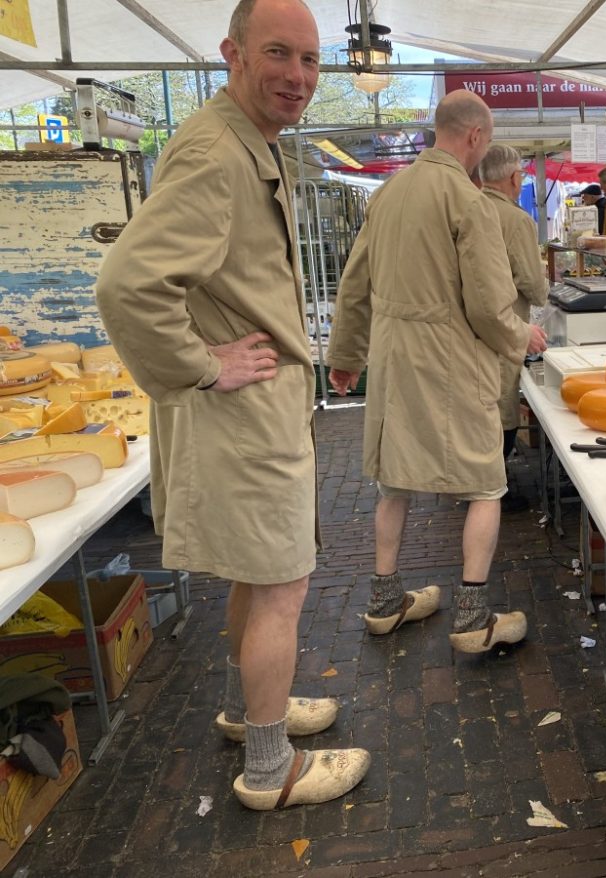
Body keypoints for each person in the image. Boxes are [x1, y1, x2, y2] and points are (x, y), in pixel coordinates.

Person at [94, 0, 369, 810]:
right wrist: (200, 366)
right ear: (233, 55)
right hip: (242, 417)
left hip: (255, 413)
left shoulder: (251, 143)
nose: (298, 76)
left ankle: (257, 713)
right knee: (282, 582)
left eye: (311, 60)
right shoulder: (219, 152)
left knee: (262, 574)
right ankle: (269, 768)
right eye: (279, 54)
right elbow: (127, 285)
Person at [327, 90, 548, 655]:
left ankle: (383, 601)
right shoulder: (467, 199)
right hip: (451, 360)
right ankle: (474, 617)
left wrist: (346, 356)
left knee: (393, 481)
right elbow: (488, 303)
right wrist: (522, 336)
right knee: (484, 484)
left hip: (394, 359)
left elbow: (354, 285)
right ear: (475, 137)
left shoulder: (389, 193)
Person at [479, 143, 550, 511]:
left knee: (479, 409)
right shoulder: (517, 219)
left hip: (467, 334)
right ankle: (492, 491)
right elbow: (535, 288)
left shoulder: (465, 207)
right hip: (505, 329)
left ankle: (479, 483)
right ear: (512, 177)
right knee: (503, 409)